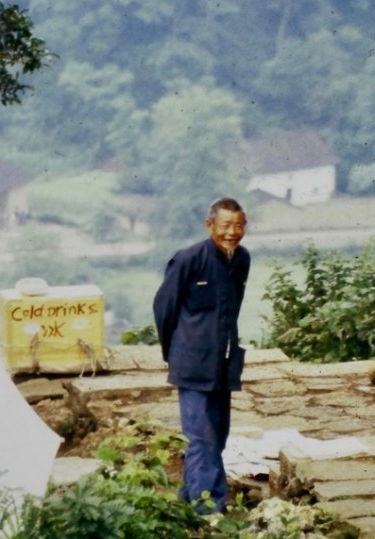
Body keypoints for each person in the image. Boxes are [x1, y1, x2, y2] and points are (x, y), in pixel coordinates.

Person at [152, 197, 250, 514]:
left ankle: (189, 495)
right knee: (201, 437)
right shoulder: (188, 259)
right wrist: (174, 351)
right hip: (192, 361)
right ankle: (209, 510)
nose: (232, 232)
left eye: (238, 226)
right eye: (225, 225)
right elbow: (164, 308)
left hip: (223, 362)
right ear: (210, 225)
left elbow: (233, 306)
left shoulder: (242, 259)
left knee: (217, 436)